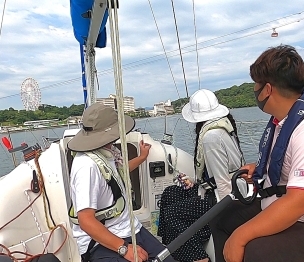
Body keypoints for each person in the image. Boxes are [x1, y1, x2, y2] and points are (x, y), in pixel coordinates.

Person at [209, 45, 304, 262]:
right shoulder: (282, 122)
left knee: (256, 249)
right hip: (293, 212)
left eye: (256, 84)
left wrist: (240, 237)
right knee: (223, 217)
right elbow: (289, 162)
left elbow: (298, 203)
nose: (254, 90)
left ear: (267, 89)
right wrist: (259, 168)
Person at [67, 103, 175, 262]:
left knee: (166, 259)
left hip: (129, 228)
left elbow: (117, 174)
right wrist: (124, 249)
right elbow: (86, 221)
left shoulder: (108, 153)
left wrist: (142, 157)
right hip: (99, 243)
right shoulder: (86, 167)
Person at [157, 89, 246, 262]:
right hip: (216, 189)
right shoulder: (222, 126)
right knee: (170, 194)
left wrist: (223, 213)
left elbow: (223, 183)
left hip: (226, 198)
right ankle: (169, 247)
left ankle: (199, 258)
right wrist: (197, 184)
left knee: (172, 214)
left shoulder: (211, 137)